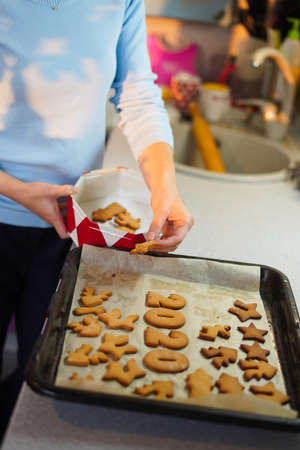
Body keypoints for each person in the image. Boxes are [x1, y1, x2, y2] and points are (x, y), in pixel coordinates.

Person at [0, 0, 193, 440]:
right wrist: (16, 191)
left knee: (40, 371)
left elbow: (137, 92)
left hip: (74, 227)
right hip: (4, 207)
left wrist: (166, 191)